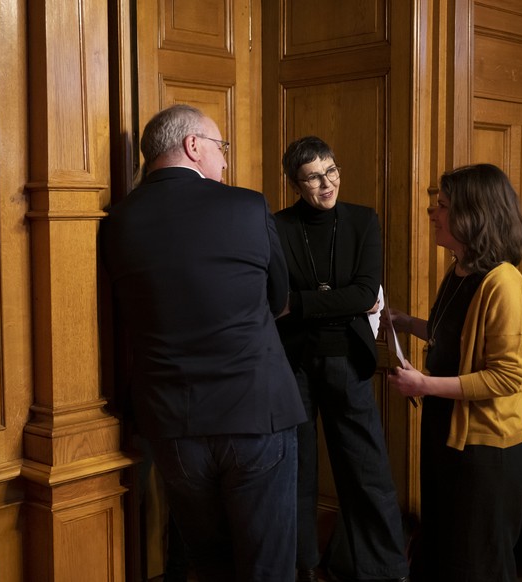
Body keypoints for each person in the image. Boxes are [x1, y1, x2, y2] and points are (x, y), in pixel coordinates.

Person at [100, 103, 306, 582]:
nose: (225, 162)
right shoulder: (247, 205)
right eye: (221, 148)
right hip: (256, 413)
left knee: (209, 565)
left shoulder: (116, 222)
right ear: (193, 145)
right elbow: (280, 299)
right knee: (268, 567)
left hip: (173, 424)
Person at [385, 163, 522, 581]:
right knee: (443, 554)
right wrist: (407, 323)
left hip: (488, 451)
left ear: (474, 215)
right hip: (448, 436)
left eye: (443, 206)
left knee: (477, 564)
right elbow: (453, 337)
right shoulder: (459, 269)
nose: (433, 214)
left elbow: (505, 377)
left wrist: (424, 384)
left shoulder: (504, 284)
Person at [274, 136, 410, 582]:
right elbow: (275, 299)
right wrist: (333, 298)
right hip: (292, 363)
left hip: (347, 360)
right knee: (296, 472)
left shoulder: (362, 221)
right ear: (296, 184)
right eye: (313, 177)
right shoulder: (278, 227)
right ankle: (302, 567)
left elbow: (366, 294)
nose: (327, 183)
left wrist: (304, 302)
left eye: (331, 171)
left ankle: (385, 570)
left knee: (366, 470)